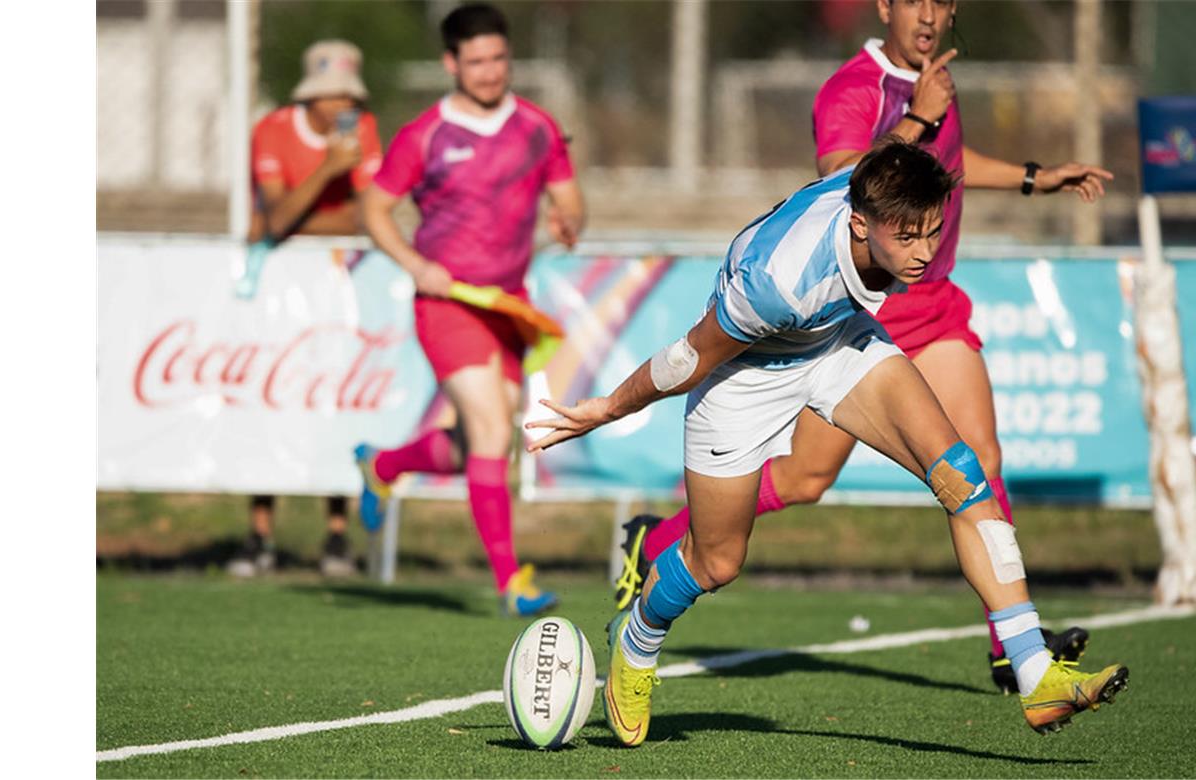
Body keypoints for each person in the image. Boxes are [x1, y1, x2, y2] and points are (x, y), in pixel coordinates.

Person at [529, 141, 1129, 743]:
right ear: (860, 222)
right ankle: (637, 639)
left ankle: (1034, 671)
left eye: (935, 234)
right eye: (910, 238)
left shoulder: (880, 193)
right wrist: (606, 407)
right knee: (717, 561)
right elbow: (687, 357)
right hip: (743, 378)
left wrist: (1028, 175)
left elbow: (913, 151)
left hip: (839, 341)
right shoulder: (778, 282)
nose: (924, 254)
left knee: (961, 474)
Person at [612, 0, 1113, 694]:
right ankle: (661, 542)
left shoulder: (933, 81)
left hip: (932, 301)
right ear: (885, 6)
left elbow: (949, 166)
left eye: (943, 1)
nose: (931, 15)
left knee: (975, 464)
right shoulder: (856, 89)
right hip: (858, 310)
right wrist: (918, 118)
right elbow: (846, 181)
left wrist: (1035, 177)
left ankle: (1016, 651)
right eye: (916, 1)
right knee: (803, 481)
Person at [355, 3, 585, 617]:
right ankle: (512, 582)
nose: (489, 72)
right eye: (475, 61)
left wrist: (569, 220)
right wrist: (414, 264)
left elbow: (570, 200)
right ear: (450, 63)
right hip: (447, 301)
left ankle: (382, 464)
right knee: (488, 427)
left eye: (498, 58)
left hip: (508, 306)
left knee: (480, 441)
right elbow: (375, 211)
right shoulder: (424, 135)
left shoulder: (537, 127)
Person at [228, 39, 385, 579]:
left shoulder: (362, 129)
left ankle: (336, 538)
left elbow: (368, 217)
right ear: (311, 97)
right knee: (267, 400)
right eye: (334, 94)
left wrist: (296, 217)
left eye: (349, 94)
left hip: (337, 280)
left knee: (335, 401)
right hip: (276, 285)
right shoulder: (272, 130)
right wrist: (325, 176)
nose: (343, 104)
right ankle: (260, 534)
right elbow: (275, 220)